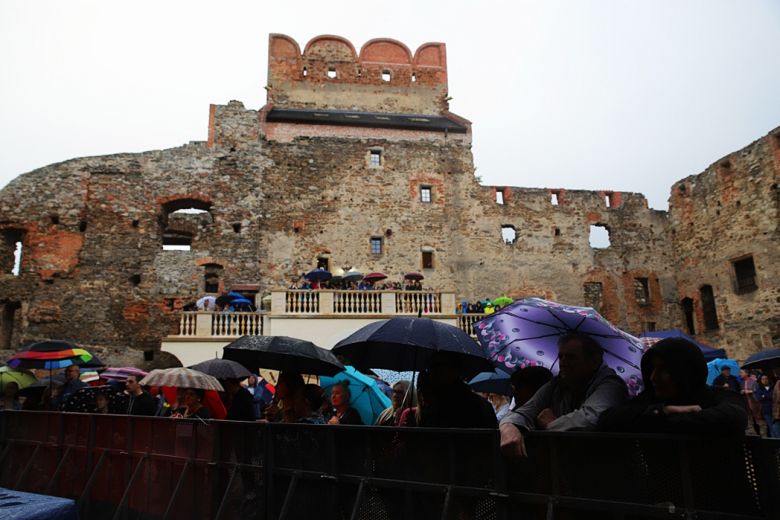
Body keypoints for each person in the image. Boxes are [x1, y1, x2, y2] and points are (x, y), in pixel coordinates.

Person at [500, 333, 628, 457]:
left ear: (594, 362)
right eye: (561, 357)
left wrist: (550, 424)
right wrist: (508, 426)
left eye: (571, 357)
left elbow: (589, 421)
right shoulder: (556, 384)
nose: (563, 363)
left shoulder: (611, 384)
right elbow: (524, 412)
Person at [598, 338, 747, 436]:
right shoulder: (650, 400)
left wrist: (656, 423)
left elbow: (734, 417)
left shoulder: (718, 396)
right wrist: (664, 410)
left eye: (665, 369)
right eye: (652, 368)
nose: (653, 377)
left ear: (685, 371)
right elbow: (608, 419)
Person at [418, 352, 498, 429]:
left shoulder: (437, 409)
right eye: (430, 368)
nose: (433, 373)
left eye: (439, 368)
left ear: (456, 371)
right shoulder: (482, 404)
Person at [739, 369, 763, 435]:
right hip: (748, 404)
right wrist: (742, 392)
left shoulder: (754, 381)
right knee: (753, 419)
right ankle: (758, 433)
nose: (740, 374)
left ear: (747, 373)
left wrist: (751, 391)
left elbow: (758, 390)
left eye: (741, 372)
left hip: (755, 402)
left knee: (760, 418)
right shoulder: (742, 383)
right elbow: (741, 390)